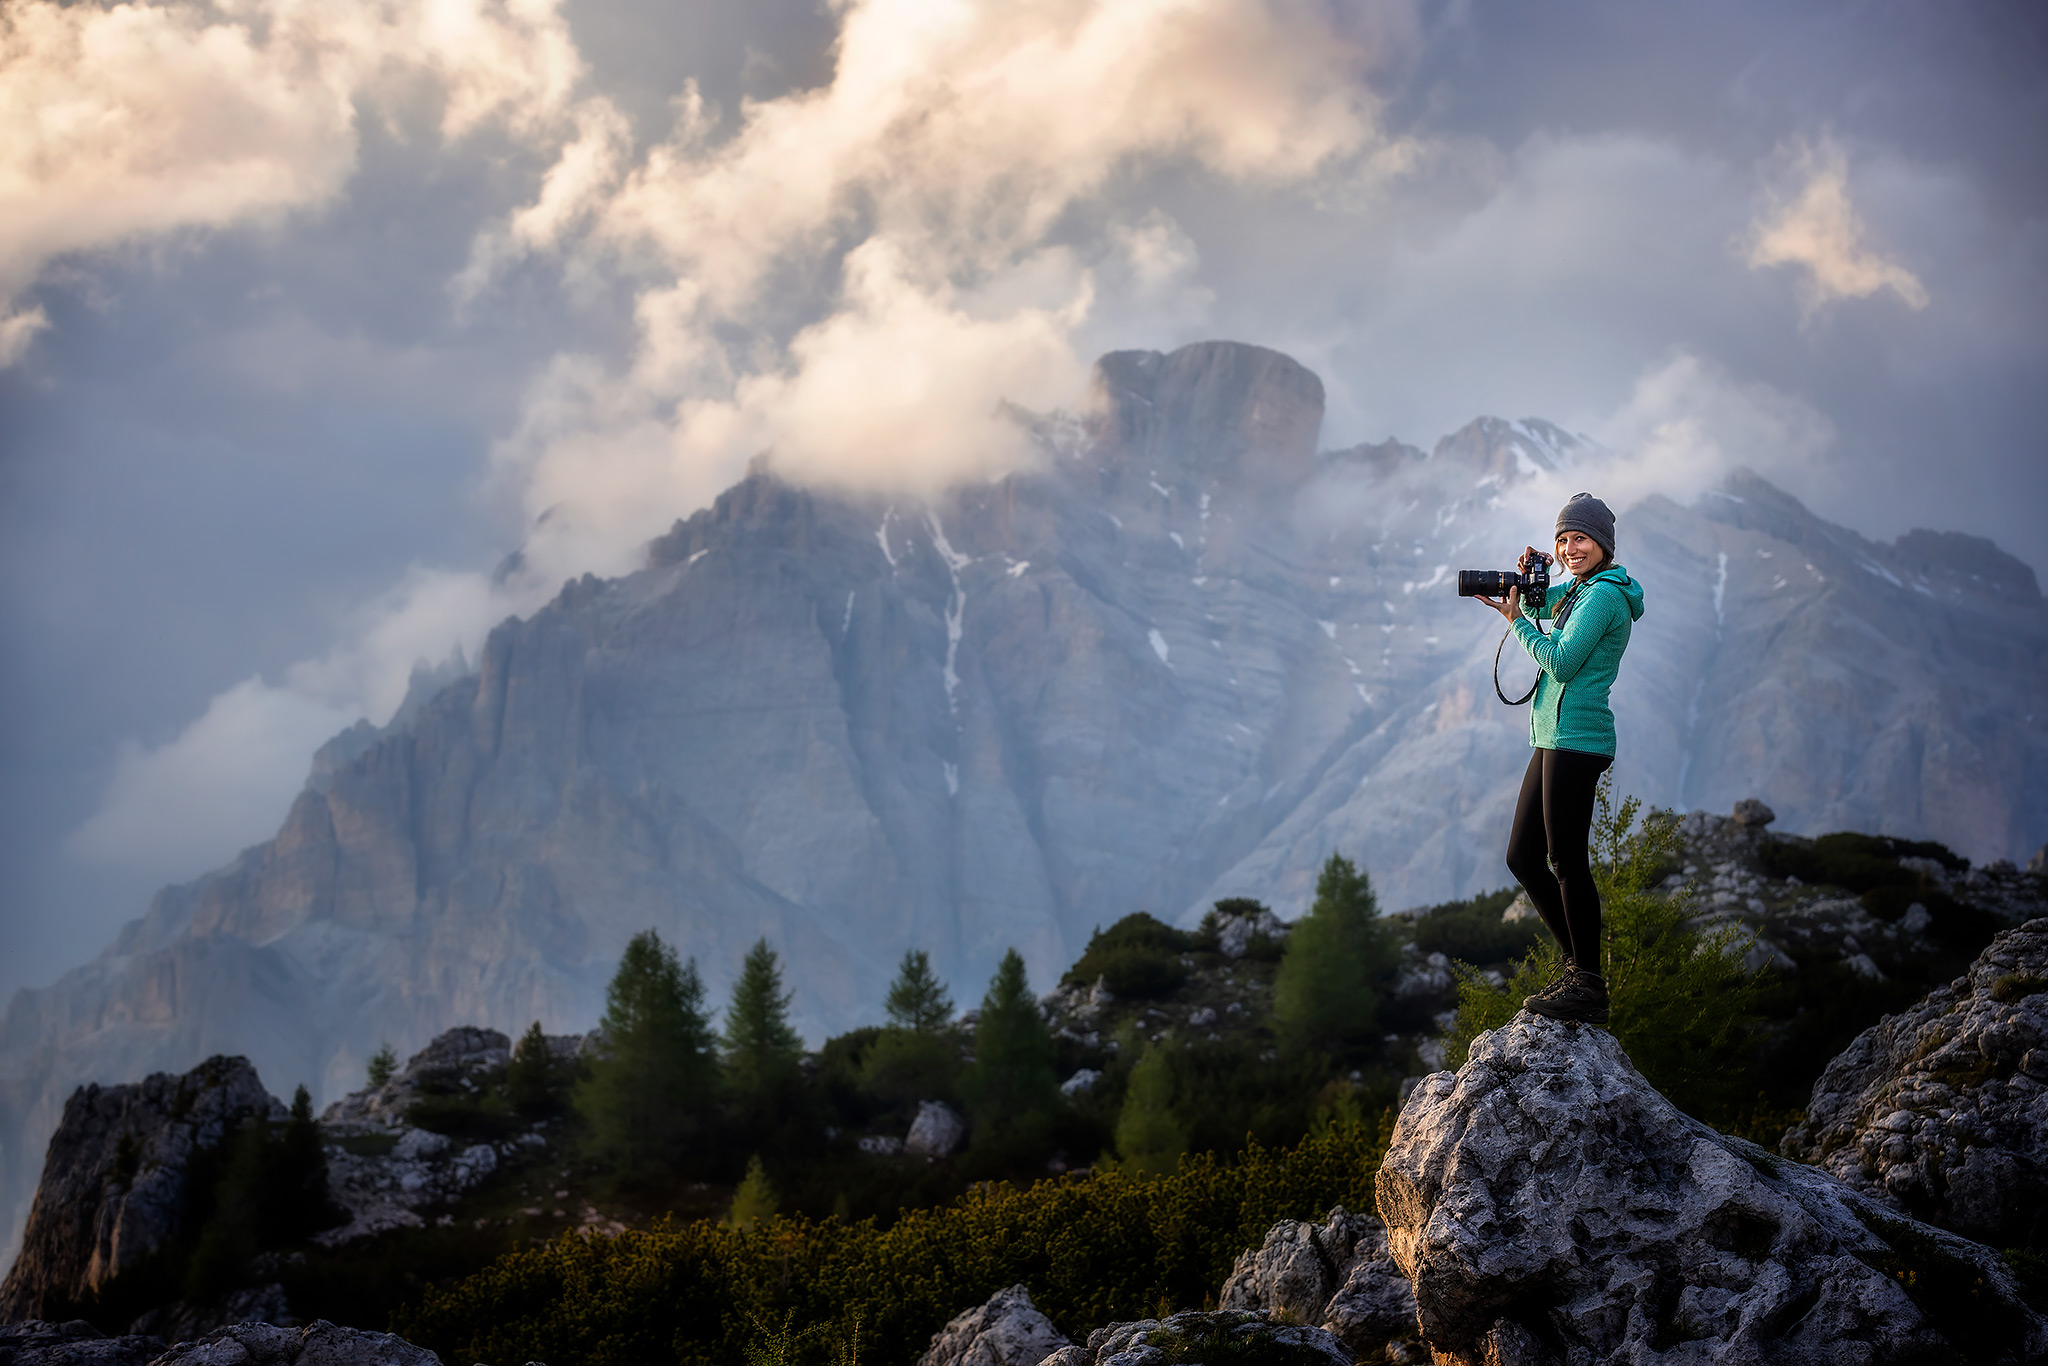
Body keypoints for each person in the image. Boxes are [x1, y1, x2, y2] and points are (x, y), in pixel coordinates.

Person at [1469, 492, 1645, 1024]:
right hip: (1551, 737)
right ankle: (1578, 969)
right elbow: (1548, 605)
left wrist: (1515, 621)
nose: (1571, 548)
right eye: (1563, 539)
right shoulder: (1579, 591)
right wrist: (1531, 583)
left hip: (1579, 740)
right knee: (1522, 857)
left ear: (1603, 544)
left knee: (1567, 861)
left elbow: (1563, 662)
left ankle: (1587, 985)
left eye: (1581, 539)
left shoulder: (1604, 597)